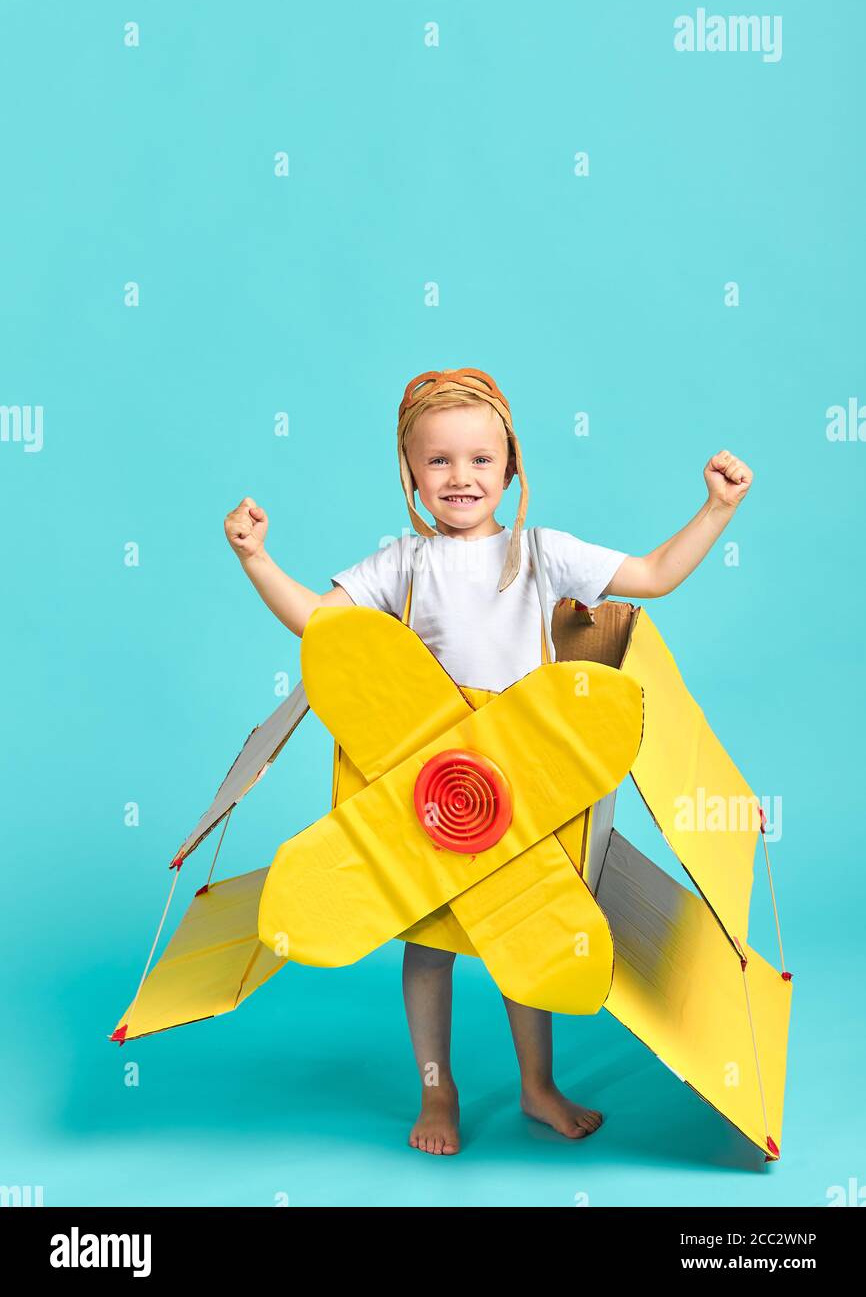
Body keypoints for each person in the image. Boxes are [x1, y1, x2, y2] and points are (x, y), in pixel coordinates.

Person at [224, 367, 753, 1156]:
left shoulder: (545, 553)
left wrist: (717, 508)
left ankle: (538, 1087)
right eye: (438, 461)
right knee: (429, 945)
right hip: (428, 787)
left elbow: (653, 576)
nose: (461, 477)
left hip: (525, 781)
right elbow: (319, 628)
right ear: (410, 474)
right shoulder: (399, 564)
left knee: (528, 931)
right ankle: (439, 1094)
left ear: (511, 467)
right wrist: (258, 559)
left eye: (480, 459)